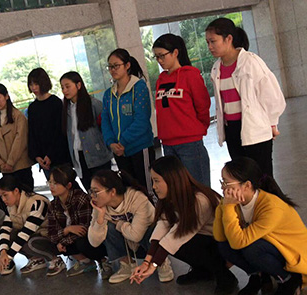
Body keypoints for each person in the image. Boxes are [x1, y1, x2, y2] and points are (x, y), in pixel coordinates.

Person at [130, 156, 238, 295]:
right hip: (201, 238)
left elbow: (179, 235)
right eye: (153, 181)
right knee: (160, 235)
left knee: (182, 242)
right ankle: (203, 271)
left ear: (171, 179)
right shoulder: (170, 197)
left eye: (156, 181)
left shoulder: (200, 199)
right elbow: (163, 225)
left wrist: (154, 265)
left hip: (224, 245)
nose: (154, 187)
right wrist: (147, 262)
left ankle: (224, 276)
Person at [214, 157, 307, 295]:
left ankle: (288, 279)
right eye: (222, 182)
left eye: (226, 183)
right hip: (268, 245)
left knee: (252, 248)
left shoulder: (271, 207)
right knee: (224, 247)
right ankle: (257, 275)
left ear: (247, 185)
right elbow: (220, 237)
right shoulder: (235, 201)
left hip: (291, 252)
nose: (222, 188)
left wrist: (228, 207)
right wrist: (223, 206)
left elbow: (239, 242)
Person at [206, 17, 285, 177]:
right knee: (242, 177)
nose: (210, 47)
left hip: (254, 128)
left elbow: (273, 96)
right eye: (207, 42)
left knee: (262, 177)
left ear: (228, 39)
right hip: (232, 130)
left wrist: (272, 123)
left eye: (213, 41)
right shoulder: (216, 68)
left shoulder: (250, 61)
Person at [88, 169, 174, 283]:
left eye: (95, 192)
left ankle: (160, 262)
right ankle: (127, 265)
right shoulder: (100, 207)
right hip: (128, 244)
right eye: (91, 191)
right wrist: (100, 217)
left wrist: (119, 224)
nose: (92, 196)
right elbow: (94, 242)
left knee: (152, 228)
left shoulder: (136, 198)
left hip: (148, 244)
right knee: (108, 227)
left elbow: (136, 236)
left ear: (112, 192)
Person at [152, 34, 212, 187]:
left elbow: (203, 106)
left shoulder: (190, 75)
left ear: (175, 53)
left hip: (189, 142)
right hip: (168, 143)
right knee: (178, 189)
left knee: (199, 188)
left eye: (162, 55)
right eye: (156, 57)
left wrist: (197, 129)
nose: (159, 60)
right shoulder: (161, 79)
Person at [102, 49, 155, 195]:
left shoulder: (139, 88)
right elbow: (105, 121)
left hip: (139, 147)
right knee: (130, 191)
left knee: (147, 189)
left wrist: (122, 142)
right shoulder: (108, 94)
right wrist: (111, 143)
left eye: (116, 66)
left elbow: (141, 121)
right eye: (110, 67)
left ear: (127, 65)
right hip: (119, 152)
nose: (112, 70)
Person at [46, 165, 109, 277]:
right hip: (70, 237)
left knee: (81, 242)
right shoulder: (53, 205)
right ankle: (85, 261)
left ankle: (104, 261)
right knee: (54, 243)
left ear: (68, 185)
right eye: (50, 182)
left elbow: (84, 230)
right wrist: (67, 230)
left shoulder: (80, 198)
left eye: (56, 183)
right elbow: (51, 234)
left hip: (91, 238)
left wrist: (63, 241)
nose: (51, 186)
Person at [60, 71, 112, 191]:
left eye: (67, 86)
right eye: (62, 87)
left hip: (98, 156)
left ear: (78, 85)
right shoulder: (66, 108)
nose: (64, 90)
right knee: (90, 192)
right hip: (79, 157)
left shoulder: (94, 104)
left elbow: (106, 128)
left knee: (103, 190)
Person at [0, 175, 55, 275]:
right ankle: (36, 259)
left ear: (16, 191)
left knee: (28, 242)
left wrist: (8, 257)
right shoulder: (11, 206)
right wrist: (3, 252)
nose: (3, 199)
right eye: (1, 196)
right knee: (7, 236)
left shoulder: (37, 202)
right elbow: (5, 228)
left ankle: (54, 259)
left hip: (50, 237)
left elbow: (26, 233)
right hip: (33, 235)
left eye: (5, 195)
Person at [0, 83, 35, 189]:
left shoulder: (18, 116)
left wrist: (10, 162)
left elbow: (20, 140)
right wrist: (0, 164)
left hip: (20, 166)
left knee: (25, 195)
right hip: (5, 169)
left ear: (6, 96)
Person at [26, 68, 70, 179]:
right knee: (52, 186)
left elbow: (60, 131)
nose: (33, 88)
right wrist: (36, 156)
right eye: (31, 84)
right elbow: (32, 134)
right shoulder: (32, 107)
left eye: (36, 84)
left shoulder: (55, 102)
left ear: (43, 83)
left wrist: (50, 155)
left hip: (59, 155)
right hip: (42, 159)